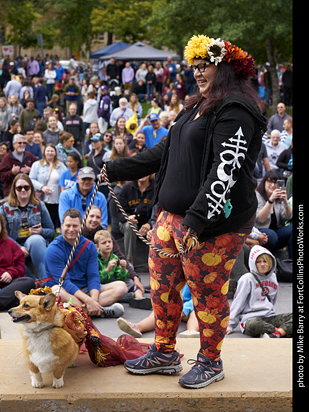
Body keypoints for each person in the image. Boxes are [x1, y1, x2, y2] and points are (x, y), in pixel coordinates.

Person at [104, 33, 267, 389]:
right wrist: (114, 170)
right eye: (194, 67)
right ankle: (164, 351)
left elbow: (226, 170)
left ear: (224, 68)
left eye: (204, 66)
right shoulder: (195, 106)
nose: (197, 73)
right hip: (170, 217)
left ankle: (210, 361)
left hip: (213, 224)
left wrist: (196, 221)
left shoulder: (236, 108)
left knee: (207, 293)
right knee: (161, 287)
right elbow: (162, 152)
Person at [45, 208, 124, 318]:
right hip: (66, 290)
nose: (71, 229)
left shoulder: (89, 246)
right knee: (56, 291)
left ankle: (86, 310)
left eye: (75, 226)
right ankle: (100, 311)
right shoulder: (53, 249)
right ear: (62, 225)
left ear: (81, 226)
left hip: (85, 288)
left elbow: (93, 275)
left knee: (121, 287)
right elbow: (64, 282)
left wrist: (93, 300)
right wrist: (88, 301)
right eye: (68, 226)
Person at [226, 245, 292, 338]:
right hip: (250, 319)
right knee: (254, 324)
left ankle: (275, 333)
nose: (262, 264)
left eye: (265, 261)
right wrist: (230, 325)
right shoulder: (247, 279)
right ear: (253, 263)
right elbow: (238, 303)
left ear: (270, 262)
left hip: (269, 318)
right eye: (258, 262)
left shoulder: (273, 277)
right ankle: (281, 331)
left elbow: (272, 300)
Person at [0, 173, 55, 280]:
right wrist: (18, 247)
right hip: (13, 247)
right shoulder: (4, 209)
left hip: (35, 247)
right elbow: (2, 234)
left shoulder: (39, 206)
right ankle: (33, 280)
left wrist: (41, 231)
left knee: (36, 239)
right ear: (14, 190)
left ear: (31, 189)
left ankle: (45, 280)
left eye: (26, 187)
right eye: (19, 188)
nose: (23, 190)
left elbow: (51, 231)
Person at [0, 209, 36, 327]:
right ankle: (3, 302)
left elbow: (20, 267)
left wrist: (10, 273)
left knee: (28, 281)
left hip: (9, 285)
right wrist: (4, 273)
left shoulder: (10, 244)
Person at [117, 283, 200, 338]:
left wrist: (184, 309)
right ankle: (138, 327)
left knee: (196, 311)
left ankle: (192, 330)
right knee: (160, 310)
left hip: (192, 307)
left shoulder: (198, 273)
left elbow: (199, 297)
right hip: (178, 306)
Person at [118, 175, 155, 266]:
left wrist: (149, 224)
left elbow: (159, 210)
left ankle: (156, 263)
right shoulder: (127, 188)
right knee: (130, 226)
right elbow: (119, 212)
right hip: (129, 223)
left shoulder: (155, 188)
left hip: (150, 223)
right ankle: (129, 262)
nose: (143, 174)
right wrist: (128, 217)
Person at [255, 170, 292, 258]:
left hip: (277, 232)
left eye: (275, 183)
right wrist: (270, 200)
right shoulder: (257, 196)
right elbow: (260, 220)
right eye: (269, 182)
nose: (272, 185)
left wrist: (286, 202)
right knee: (271, 235)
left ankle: (291, 262)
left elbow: (288, 217)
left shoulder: (279, 198)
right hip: (261, 232)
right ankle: (268, 257)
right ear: (264, 182)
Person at [29, 143, 67, 230]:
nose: (50, 153)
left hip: (57, 193)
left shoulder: (61, 165)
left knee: (56, 209)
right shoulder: (37, 165)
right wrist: (42, 187)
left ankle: (57, 226)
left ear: (55, 153)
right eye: (48, 151)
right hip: (43, 194)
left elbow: (66, 177)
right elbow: (31, 179)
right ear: (44, 152)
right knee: (45, 210)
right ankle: (47, 227)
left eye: (52, 151)